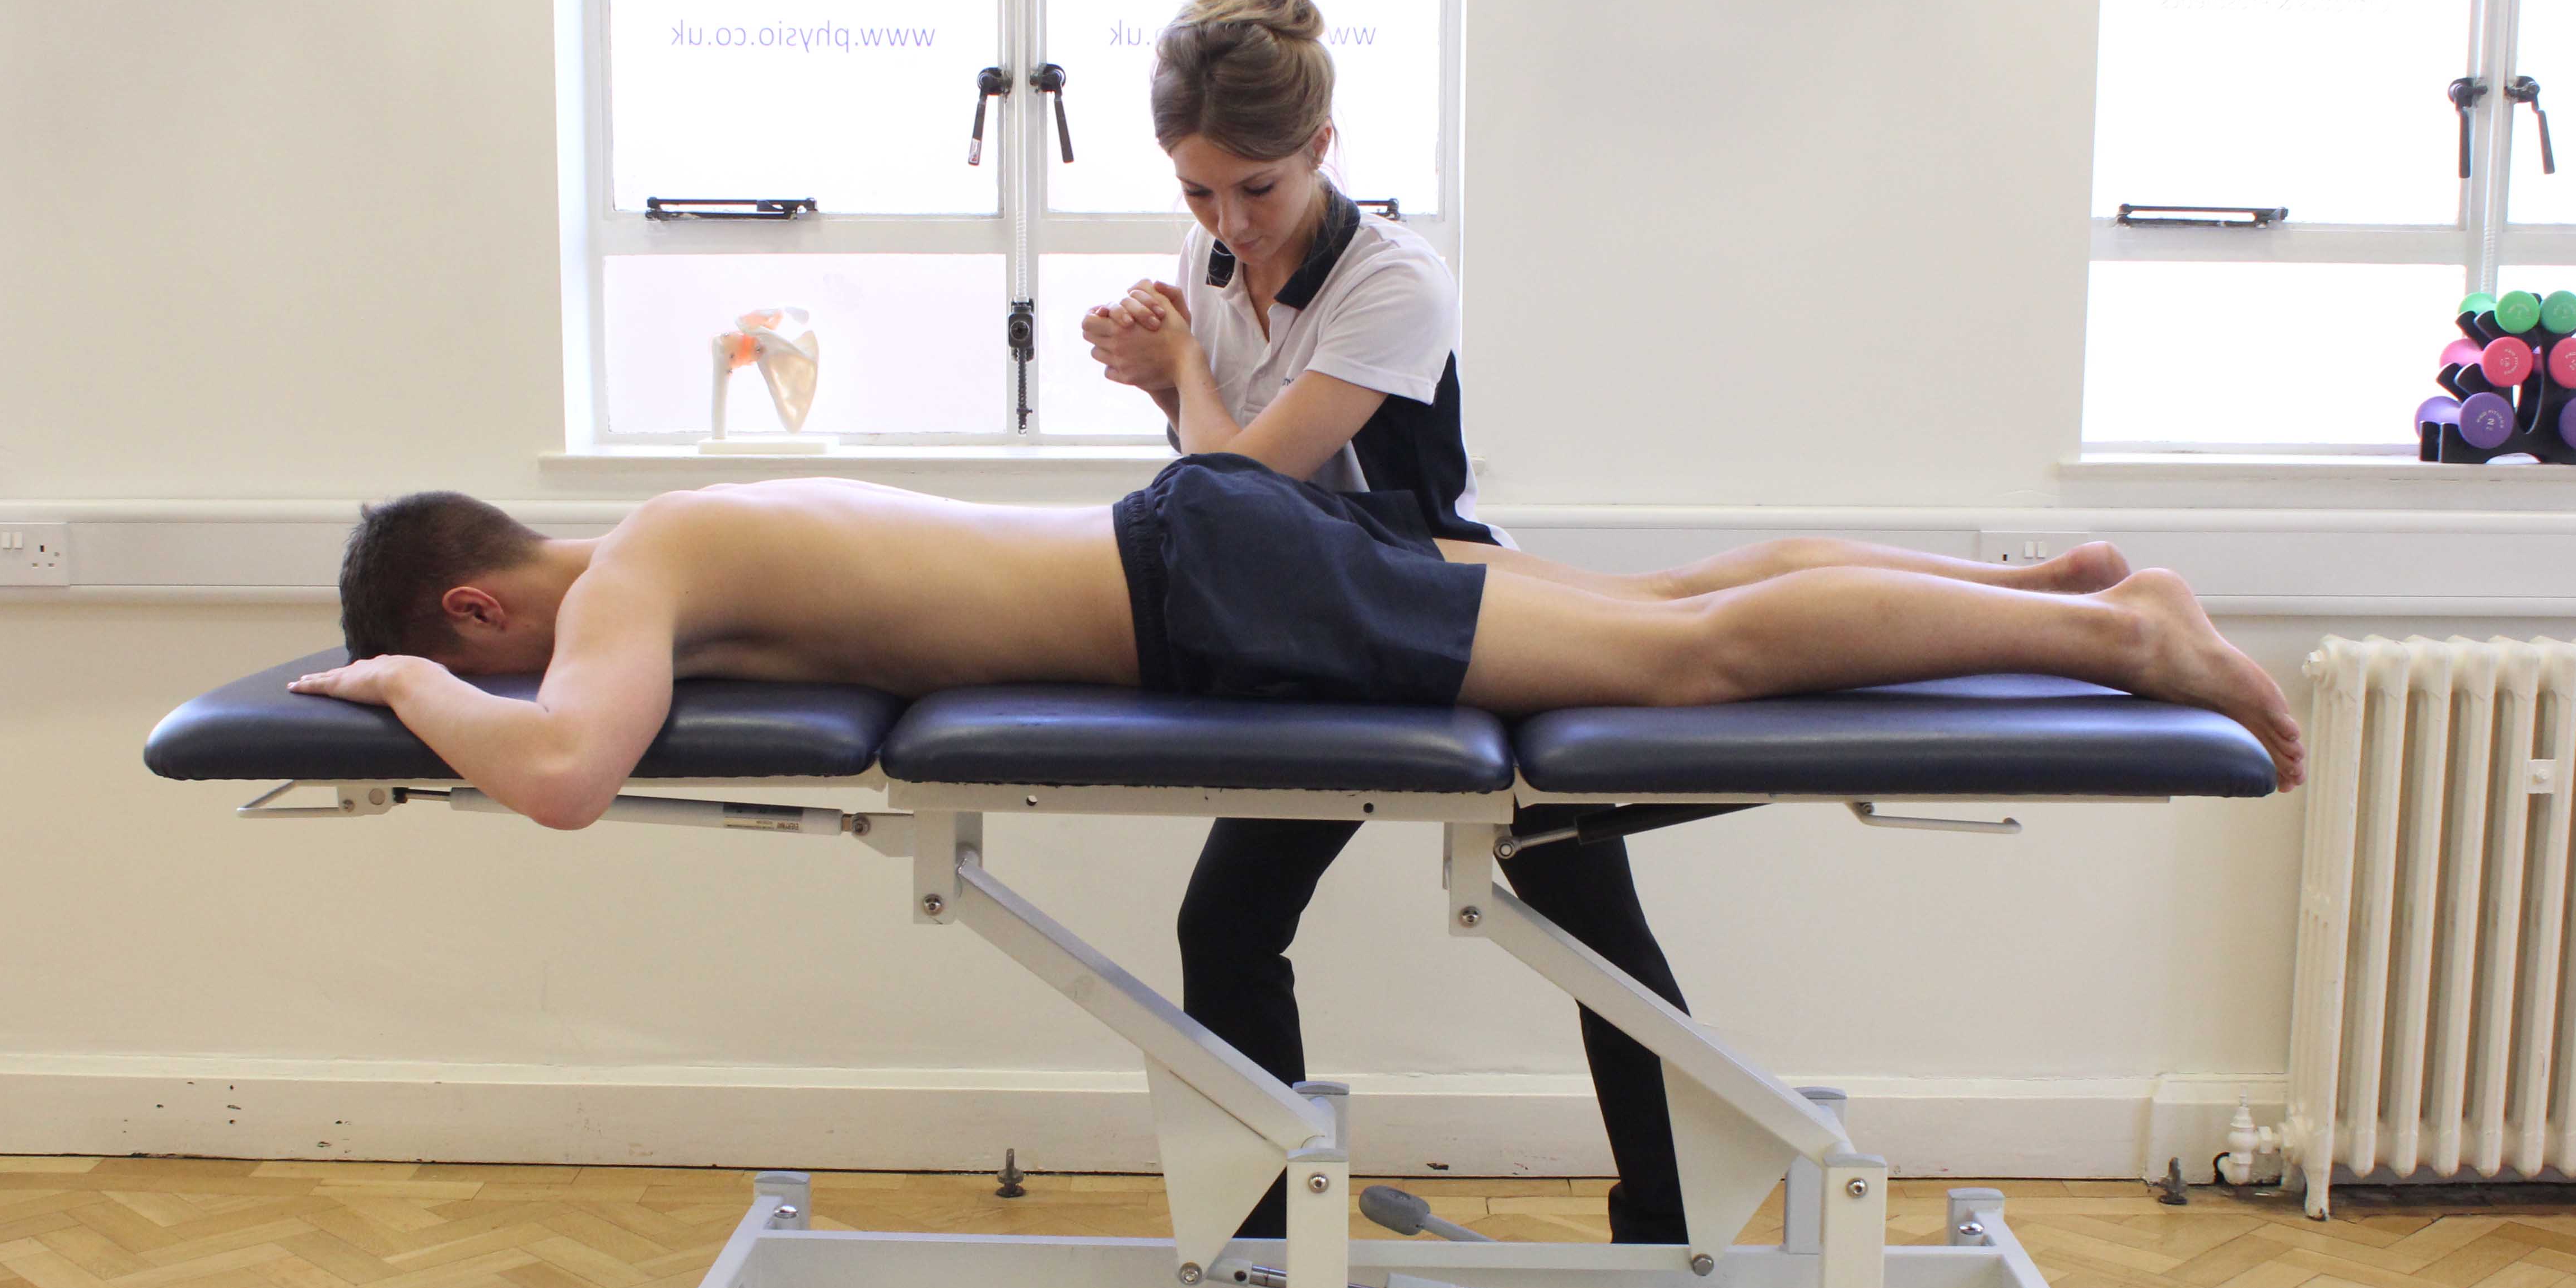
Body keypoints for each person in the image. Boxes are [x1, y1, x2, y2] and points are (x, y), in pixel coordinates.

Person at [1076, 0, 2113, 1243]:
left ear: (1321, 152)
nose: (1227, 221)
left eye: (1257, 189)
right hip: (1325, 633)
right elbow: (1229, 494)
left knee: (1601, 892)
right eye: (1197, 192)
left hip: (1440, 612)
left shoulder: (1395, 280)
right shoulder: (1212, 260)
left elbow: (1240, 487)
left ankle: (1666, 1229)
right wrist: (1163, 370)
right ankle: (1262, 1241)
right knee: (1228, 922)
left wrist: (1172, 366)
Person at [294, 465, 2304, 853]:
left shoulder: (630, 566)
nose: (517, 667)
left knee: (1684, 665)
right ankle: (2039, 590)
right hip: (1210, 548)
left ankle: (2115, 632)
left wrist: (408, 700)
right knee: (1671, 605)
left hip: (1214, 588)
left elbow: (562, 769)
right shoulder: (683, 516)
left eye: (472, 647)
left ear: (482, 603)